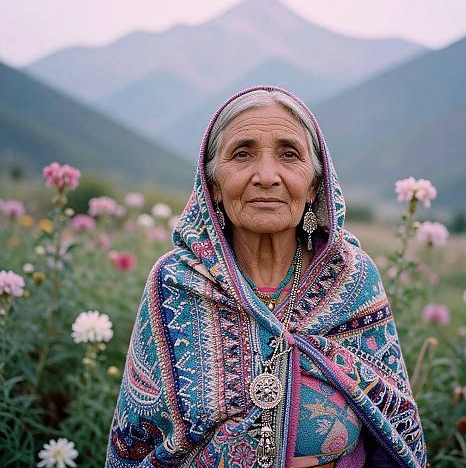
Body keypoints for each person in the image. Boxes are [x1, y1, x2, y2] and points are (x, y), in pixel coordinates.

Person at [105, 85, 427, 468]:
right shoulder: (174, 282)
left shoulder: (353, 278)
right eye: (242, 154)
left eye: (289, 155)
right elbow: (135, 440)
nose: (266, 176)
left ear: (313, 187)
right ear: (213, 187)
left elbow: (394, 430)